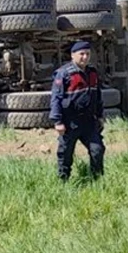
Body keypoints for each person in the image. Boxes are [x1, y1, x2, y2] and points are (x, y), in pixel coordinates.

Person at [49, 40, 105, 181]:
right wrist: (57, 121)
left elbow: (97, 96)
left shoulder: (92, 72)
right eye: (82, 54)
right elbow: (56, 98)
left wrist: (100, 116)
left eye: (88, 54)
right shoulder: (63, 74)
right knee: (65, 154)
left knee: (97, 150)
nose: (85, 57)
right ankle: (63, 181)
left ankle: (96, 181)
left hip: (89, 122)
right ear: (73, 55)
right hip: (70, 122)